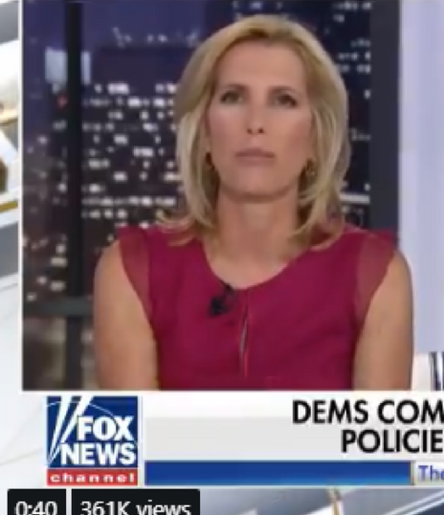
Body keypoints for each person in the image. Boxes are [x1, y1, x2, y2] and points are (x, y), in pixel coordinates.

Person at [93, 15, 414, 390]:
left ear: (316, 138)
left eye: (283, 100)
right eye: (233, 97)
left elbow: (377, 431)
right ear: (204, 132)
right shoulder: (132, 271)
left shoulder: (375, 277)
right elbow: (131, 429)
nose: (256, 123)